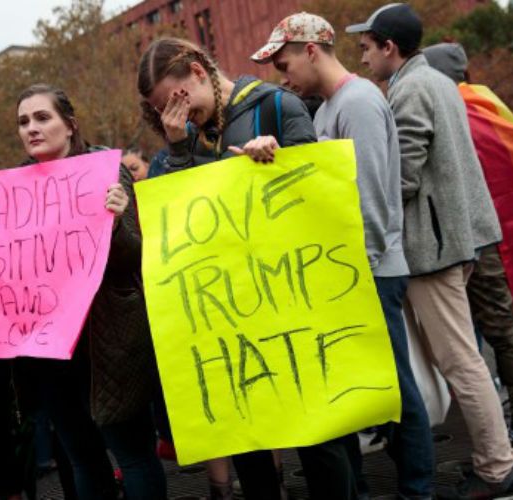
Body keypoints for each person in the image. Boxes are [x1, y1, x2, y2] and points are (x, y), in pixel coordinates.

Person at [137, 37, 358, 500]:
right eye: (162, 112)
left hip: (295, 305)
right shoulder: (186, 136)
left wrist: (278, 160)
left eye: (174, 102)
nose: (173, 118)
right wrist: (178, 148)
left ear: (197, 72)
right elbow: (179, 226)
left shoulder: (277, 106)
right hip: (233, 316)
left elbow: (318, 193)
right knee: (249, 440)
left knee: (320, 439)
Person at [0, 84, 166, 500]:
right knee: (83, 459)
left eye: (42, 118)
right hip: (47, 354)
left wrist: (116, 222)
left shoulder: (106, 170)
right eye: (23, 121)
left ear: (70, 125)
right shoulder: (10, 190)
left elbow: (137, 260)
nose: (31, 128)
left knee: (132, 455)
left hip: (108, 345)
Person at [251, 12, 434, 499]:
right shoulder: (332, 106)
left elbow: (372, 197)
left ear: (311, 50)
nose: (281, 75)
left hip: (370, 270)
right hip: (357, 270)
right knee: (370, 391)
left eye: (284, 62)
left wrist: (359, 270)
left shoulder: (356, 102)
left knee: (396, 391)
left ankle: (418, 490)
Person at [346, 4, 513, 499]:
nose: (361, 60)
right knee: (463, 359)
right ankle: (499, 463)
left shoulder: (411, 89)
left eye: (365, 48)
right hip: (447, 242)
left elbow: (401, 178)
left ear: (389, 47)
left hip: (432, 249)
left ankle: (498, 470)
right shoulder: (436, 82)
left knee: (460, 362)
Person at [423, 42, 513, 462]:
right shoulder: (486, 107)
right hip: (485, 236)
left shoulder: (453, 109)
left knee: (484, 338)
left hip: (465, 240)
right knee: (499, 331)